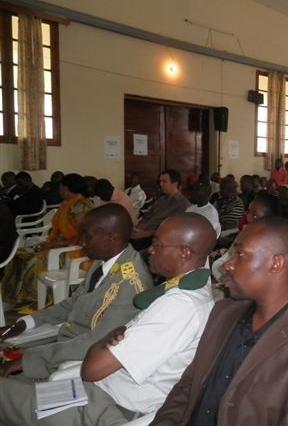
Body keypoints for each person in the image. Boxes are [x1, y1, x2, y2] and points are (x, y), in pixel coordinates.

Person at [0, 213, 216, 425]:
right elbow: (75, 309)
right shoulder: (180, 291)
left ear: (184, 253)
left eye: (157, 244)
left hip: (109, 404)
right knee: (16, 387)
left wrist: (107, 340)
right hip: (100, 389)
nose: (150, 249)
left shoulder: (178, 306)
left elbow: (93, 369)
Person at [151, 217, 288, 425]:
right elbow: (187, 388)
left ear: (276, 263)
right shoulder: (224, 313)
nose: (228, 264)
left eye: (240, 254)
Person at [0, 204, 152, 379]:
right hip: (64, 344)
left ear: (112, 237)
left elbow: (96, 343)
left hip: (78, 362)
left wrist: (27, 361)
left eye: (88, 235)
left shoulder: (130, 284)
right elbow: (71, 304)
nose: (81, 241)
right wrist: (24, 323)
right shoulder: (103, 261)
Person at [1, 173, 94, 306]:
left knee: (33, 262)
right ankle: (15, 296)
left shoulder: (81, 206)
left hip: (72, 250)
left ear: (66, 189)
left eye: (60, 187)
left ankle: (36, 299)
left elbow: (82, 236)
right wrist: (48, 242)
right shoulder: (66, 203)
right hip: (56, 244)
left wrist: (54, 244)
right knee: (19, 255)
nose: (59, 190)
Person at [131, 169, 190, 243]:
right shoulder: (161, 199)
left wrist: (146, 233)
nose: (161, 184)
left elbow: (173, 228)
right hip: (142, 231)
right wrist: (138, 227)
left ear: (175, 184)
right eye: (160, 181)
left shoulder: (182, 204)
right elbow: (147, 216)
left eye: (164, 181)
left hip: (157, 237)